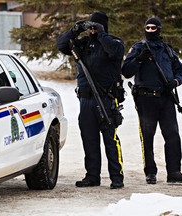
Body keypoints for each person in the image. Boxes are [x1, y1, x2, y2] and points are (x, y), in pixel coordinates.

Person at [56, 11, 125, 189]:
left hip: (106, 99)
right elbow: (62, 45)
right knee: (89, 138)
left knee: (110, 139)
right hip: (86, 99)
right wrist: (74, 30)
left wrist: (102, 34)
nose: (92, 29)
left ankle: (117, 177)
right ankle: (92, 176)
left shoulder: (114, 43)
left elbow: (113, 51)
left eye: (96, 25)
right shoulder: (84, 44)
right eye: (91, 26)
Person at [122, 17, 182, 184]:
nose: (150, 30)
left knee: (172, 135)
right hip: (146, 99)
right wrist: (139, 59)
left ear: (159, 29)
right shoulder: (138, 48)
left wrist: (175, 82)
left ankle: (174, 172)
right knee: (147, 136)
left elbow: (180, 69)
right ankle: (150, 172)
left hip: (166, 99)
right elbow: (126, 71)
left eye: (153, 28)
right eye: (147, 27)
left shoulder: (167, 49)